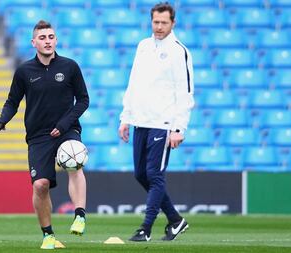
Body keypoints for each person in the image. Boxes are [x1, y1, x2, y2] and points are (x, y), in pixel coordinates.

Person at [0, 20, 89, 249]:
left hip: (67, 130)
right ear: (34, 42)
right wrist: (3, 118)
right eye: (42, 38)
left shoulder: (70, 67)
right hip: (38, 135)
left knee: (75, 162)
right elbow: (13, 101)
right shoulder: (24, 71)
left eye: (51, 37)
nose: (47, 41)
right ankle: (48, 235)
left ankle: (80, 215)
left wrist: (64, 123)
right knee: (40, 185)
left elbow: (83, 100)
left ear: (56, 40)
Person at [118, 2, 194, 242]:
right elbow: (133, 83)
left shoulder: (179, 51)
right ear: (151, 21)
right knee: (141, 174)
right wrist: (125, 118)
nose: (159, 27)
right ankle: (175, 220)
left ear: (173, 23)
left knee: (154, 174)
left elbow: (185, 92)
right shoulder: (143, 46)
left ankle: (146, 227)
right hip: (141, 120)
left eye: (164, 22)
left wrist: (179, 127)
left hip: (163, 122)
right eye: (156, 22)